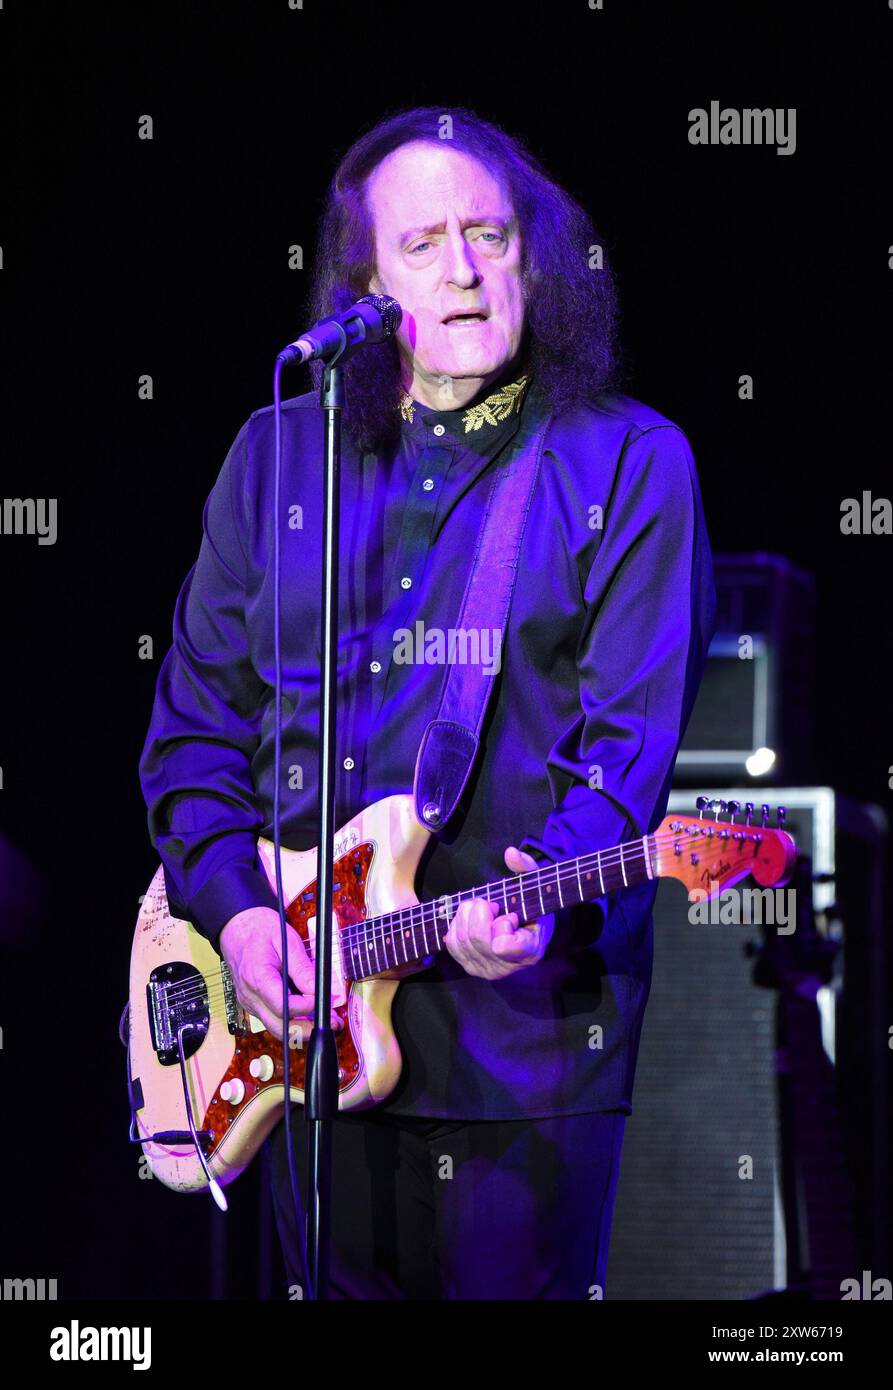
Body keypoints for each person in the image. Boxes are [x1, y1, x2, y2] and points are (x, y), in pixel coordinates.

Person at [139, 106, 716, 1300]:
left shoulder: (625, 463)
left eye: (490, 236)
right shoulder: (276, 460)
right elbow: (194, 734)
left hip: (522, 1058)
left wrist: (540, 896)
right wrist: (242, 918)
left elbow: (623, 758)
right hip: (298, 1045)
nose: (463, 269)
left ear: (532, 257)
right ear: (364, 285)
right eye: (424, 245)